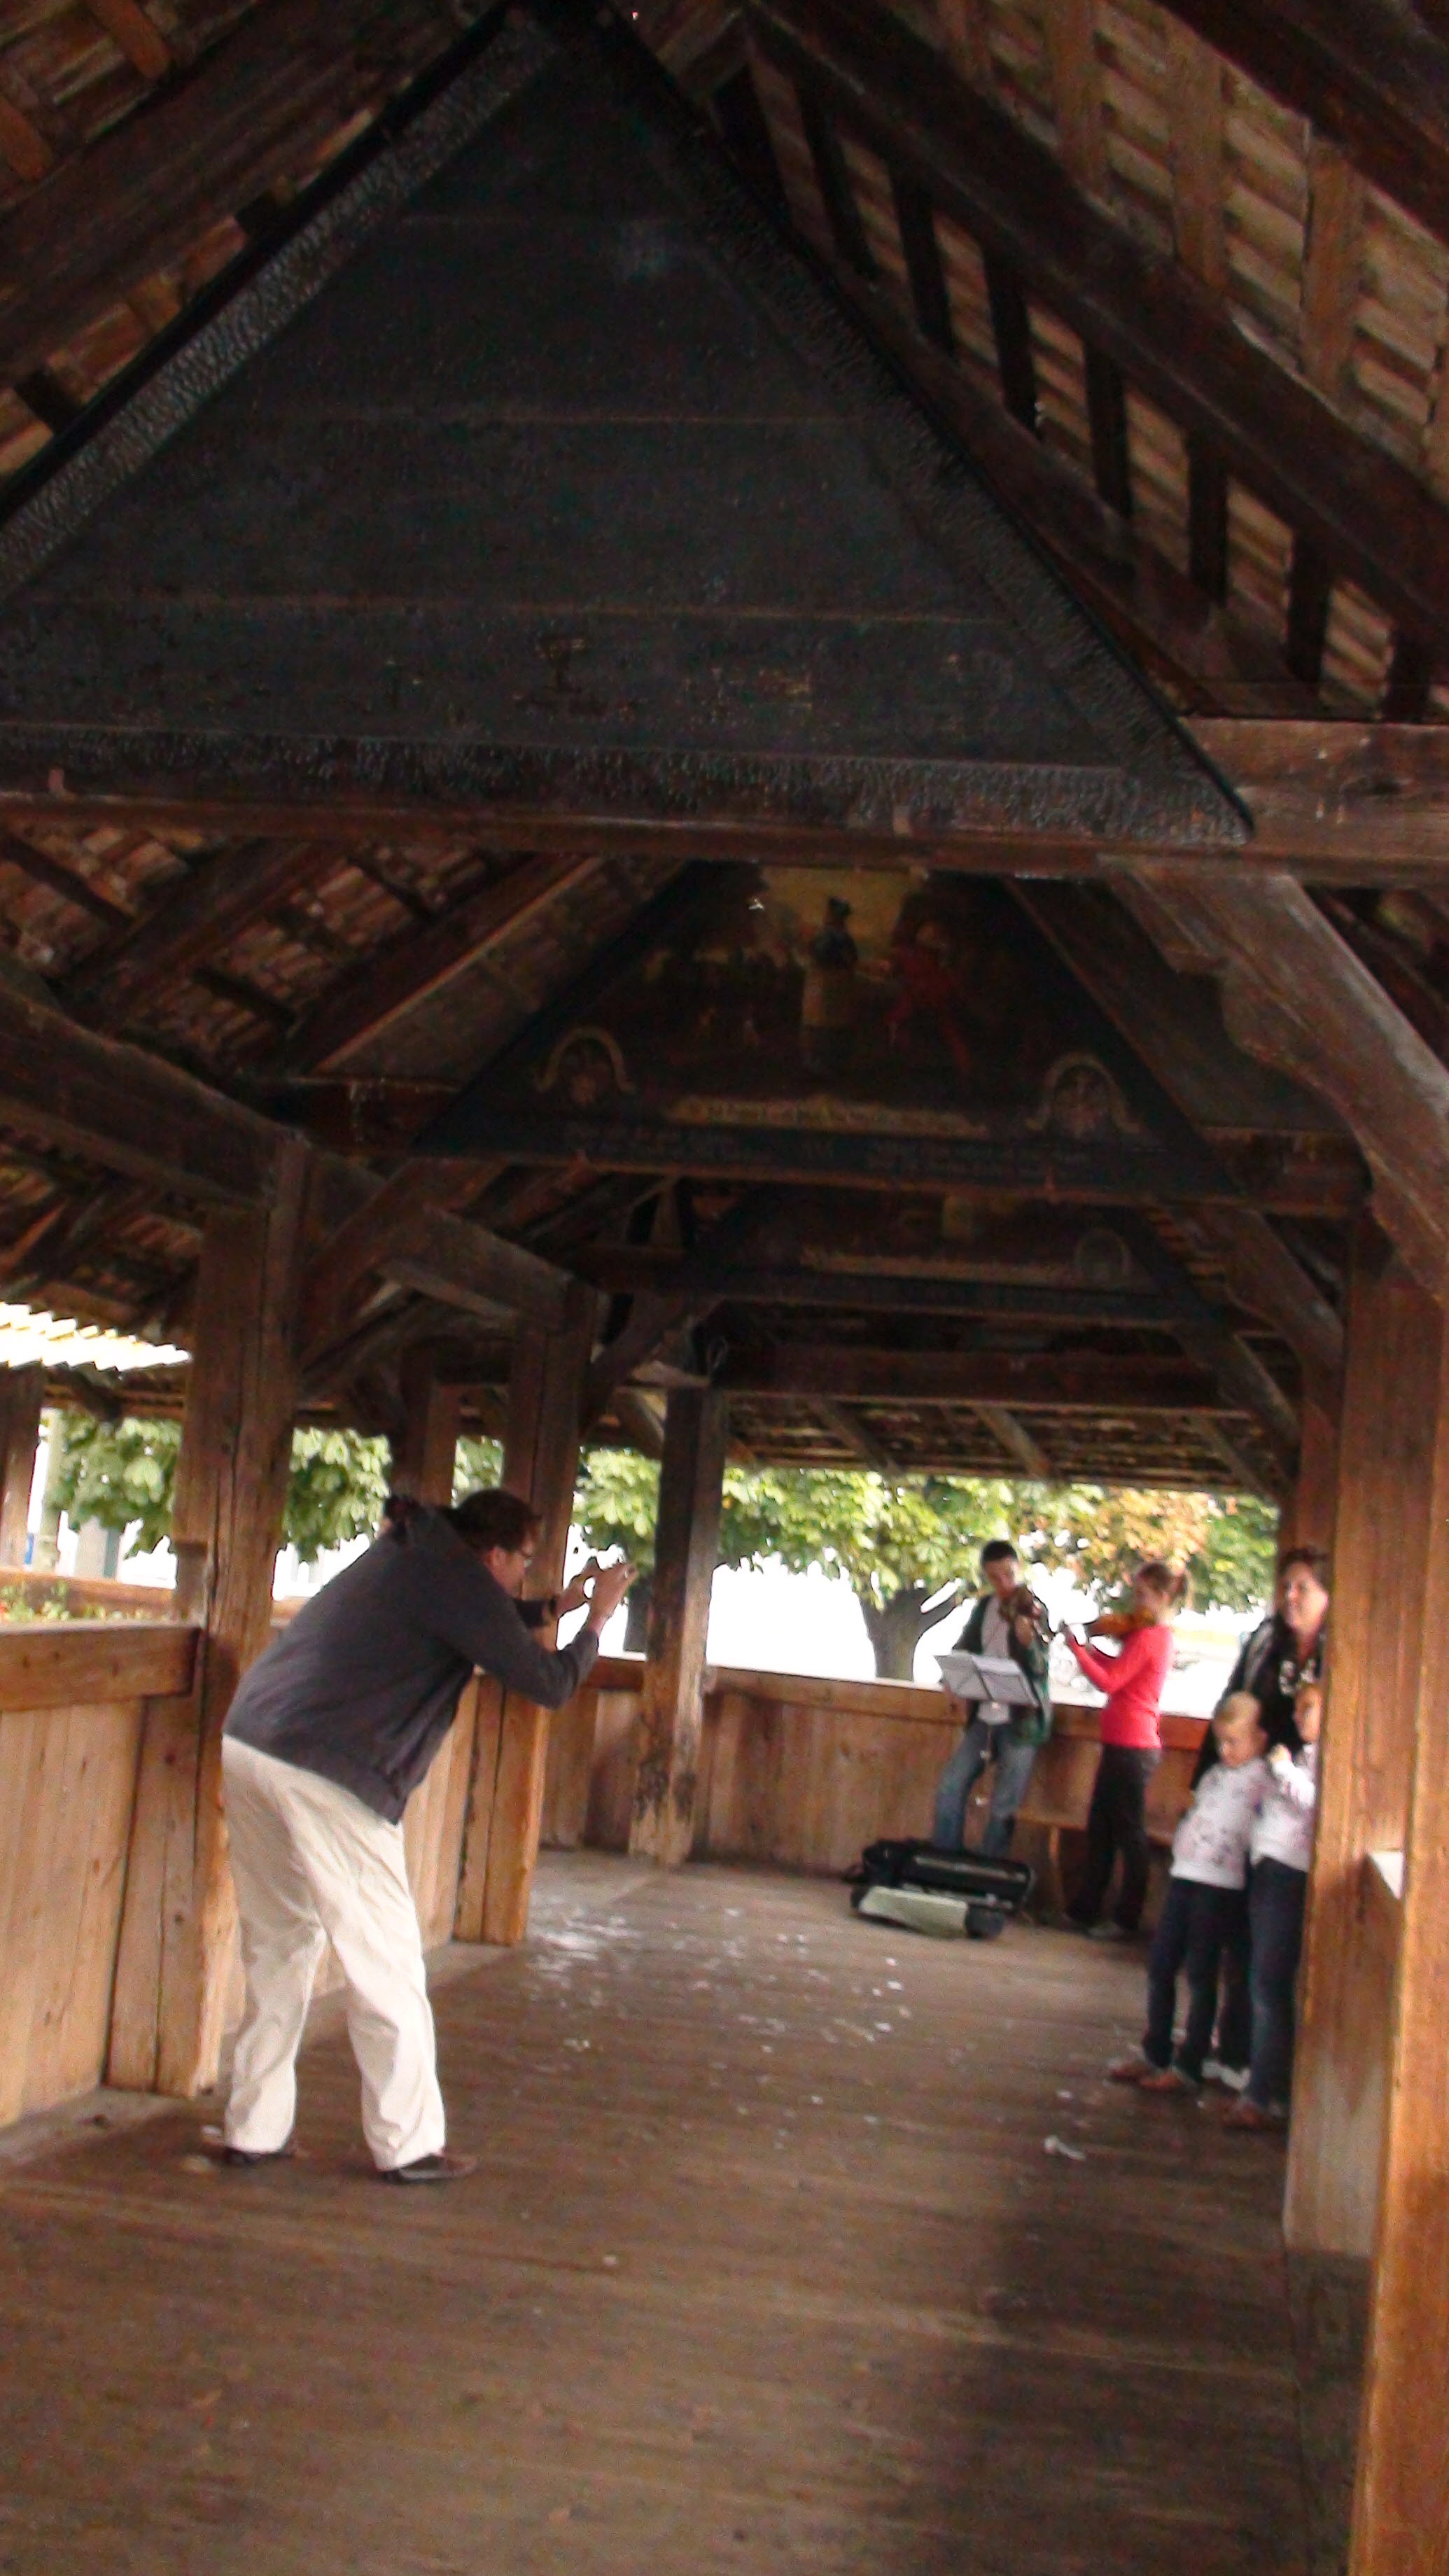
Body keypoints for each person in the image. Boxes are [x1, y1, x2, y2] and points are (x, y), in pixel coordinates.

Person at [218, 1488, 634, 2185]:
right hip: (330, 1770)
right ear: (494, 1554)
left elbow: (477, 1621)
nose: (522, 1574)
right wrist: (596, 1621)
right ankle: (407, 2145)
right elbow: (548, 1682)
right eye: (523, 1561)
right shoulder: (459, 1582)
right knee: (387, 1966)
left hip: (252, 1742)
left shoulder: (414, 1553)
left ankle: (253, 2129)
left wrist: (554, 1608)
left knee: (280, 1944)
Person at [1110, 1693, 1269, 2094]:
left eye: (1235, 1742)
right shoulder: (1215, 1776)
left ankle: (1189, 2064)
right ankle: (1155, 2051)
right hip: (1186, 1876)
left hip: (1221, 1885)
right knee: (1161, 1963)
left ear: (1259, 1739)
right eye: (1221, 1742)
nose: (1226, 1751)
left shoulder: (1264, 1780)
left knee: (1201, 1973)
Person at [1060, 1560, 1184, 1939]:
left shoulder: (1151, 1637)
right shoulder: (1148, 1636)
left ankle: (1126, 1919)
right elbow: (1121, 1668)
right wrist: (1090, 1650)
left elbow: (1111, 1682)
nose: (1136, 1602)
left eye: (1143, 1594)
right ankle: (1085, 1910)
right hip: (1121, 1744)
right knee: (1101, 1830)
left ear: (1162, 1597)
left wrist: (1078, 1652)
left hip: (1133, 1747)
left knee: (1129, 1834)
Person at [1224, 1680, 1322, 2133]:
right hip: (1270, 1867)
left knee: (1269, 1985)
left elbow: (1319, 1806)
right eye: (1298, 1709)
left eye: (1308, 1708)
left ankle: (1264, 2094)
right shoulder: (1305, 1756)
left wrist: (1283, 1772)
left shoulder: (1320, 1761)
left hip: (1289, 1873)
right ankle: (1265, 2086)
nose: (1298, 1717)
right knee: (1260, 1979)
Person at [932, 1539, 1052, 1858]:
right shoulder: (985, 1607)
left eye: (1009, 1575)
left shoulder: (1035, 1608)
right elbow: (964, 1646)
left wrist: (1027, 1643)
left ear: (1019, 1569)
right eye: (995, 1578)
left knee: (1003, 1804)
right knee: (951, 1784)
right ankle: (944, 1860)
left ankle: (990, 1869)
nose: (1004, 1584)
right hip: (985, 1715)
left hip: (1021, 1721)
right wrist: (950, 1680)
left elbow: (1039, 1669)